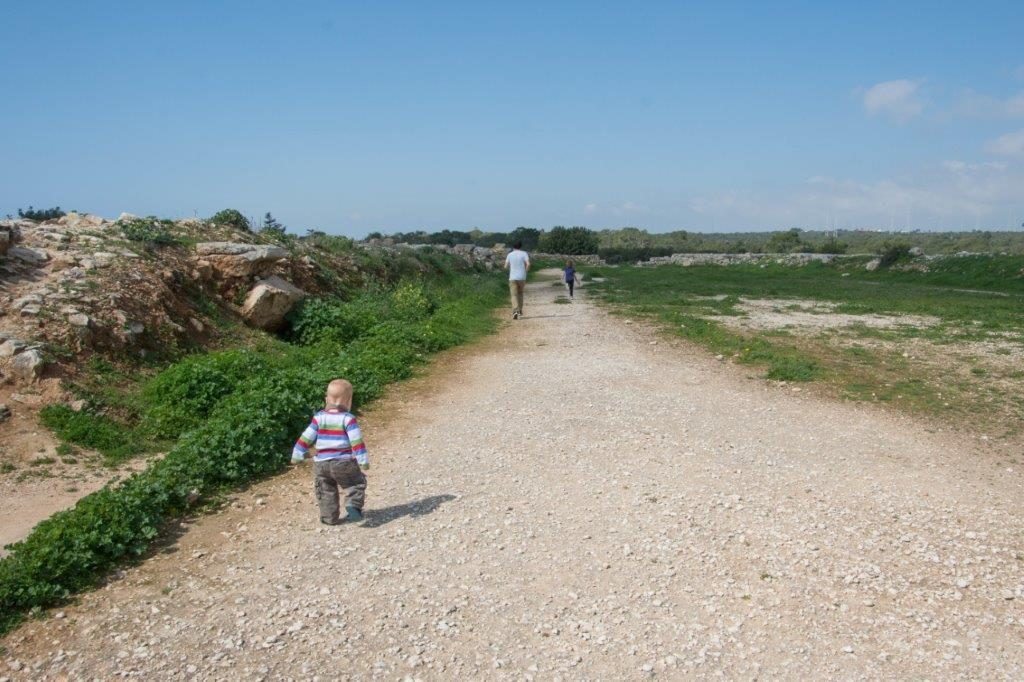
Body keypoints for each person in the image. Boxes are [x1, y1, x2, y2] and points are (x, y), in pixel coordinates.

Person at [291, 379, 369, 525]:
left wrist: (297, 453)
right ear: (349, 401)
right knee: (355, 484)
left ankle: (329, 517)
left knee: (325, 489)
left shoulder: (318, 418)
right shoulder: (348, 419)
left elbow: (306, 437)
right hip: (343, 462)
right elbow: (356, 441)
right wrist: (363, 460)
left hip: (321, 463)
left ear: (326, 399)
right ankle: (353, 506)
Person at [504, 241, 530, 319]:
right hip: (522, 277)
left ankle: (515, 310)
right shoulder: (524, 253)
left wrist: (509, 269)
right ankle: (520, 310)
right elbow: (528, 264)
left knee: (514, 295)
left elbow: (505, 266)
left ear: (513, 247)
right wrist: (526, 271)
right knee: (520, 294)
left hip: (512, 277)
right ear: (520, 246)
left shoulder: (509, 254)